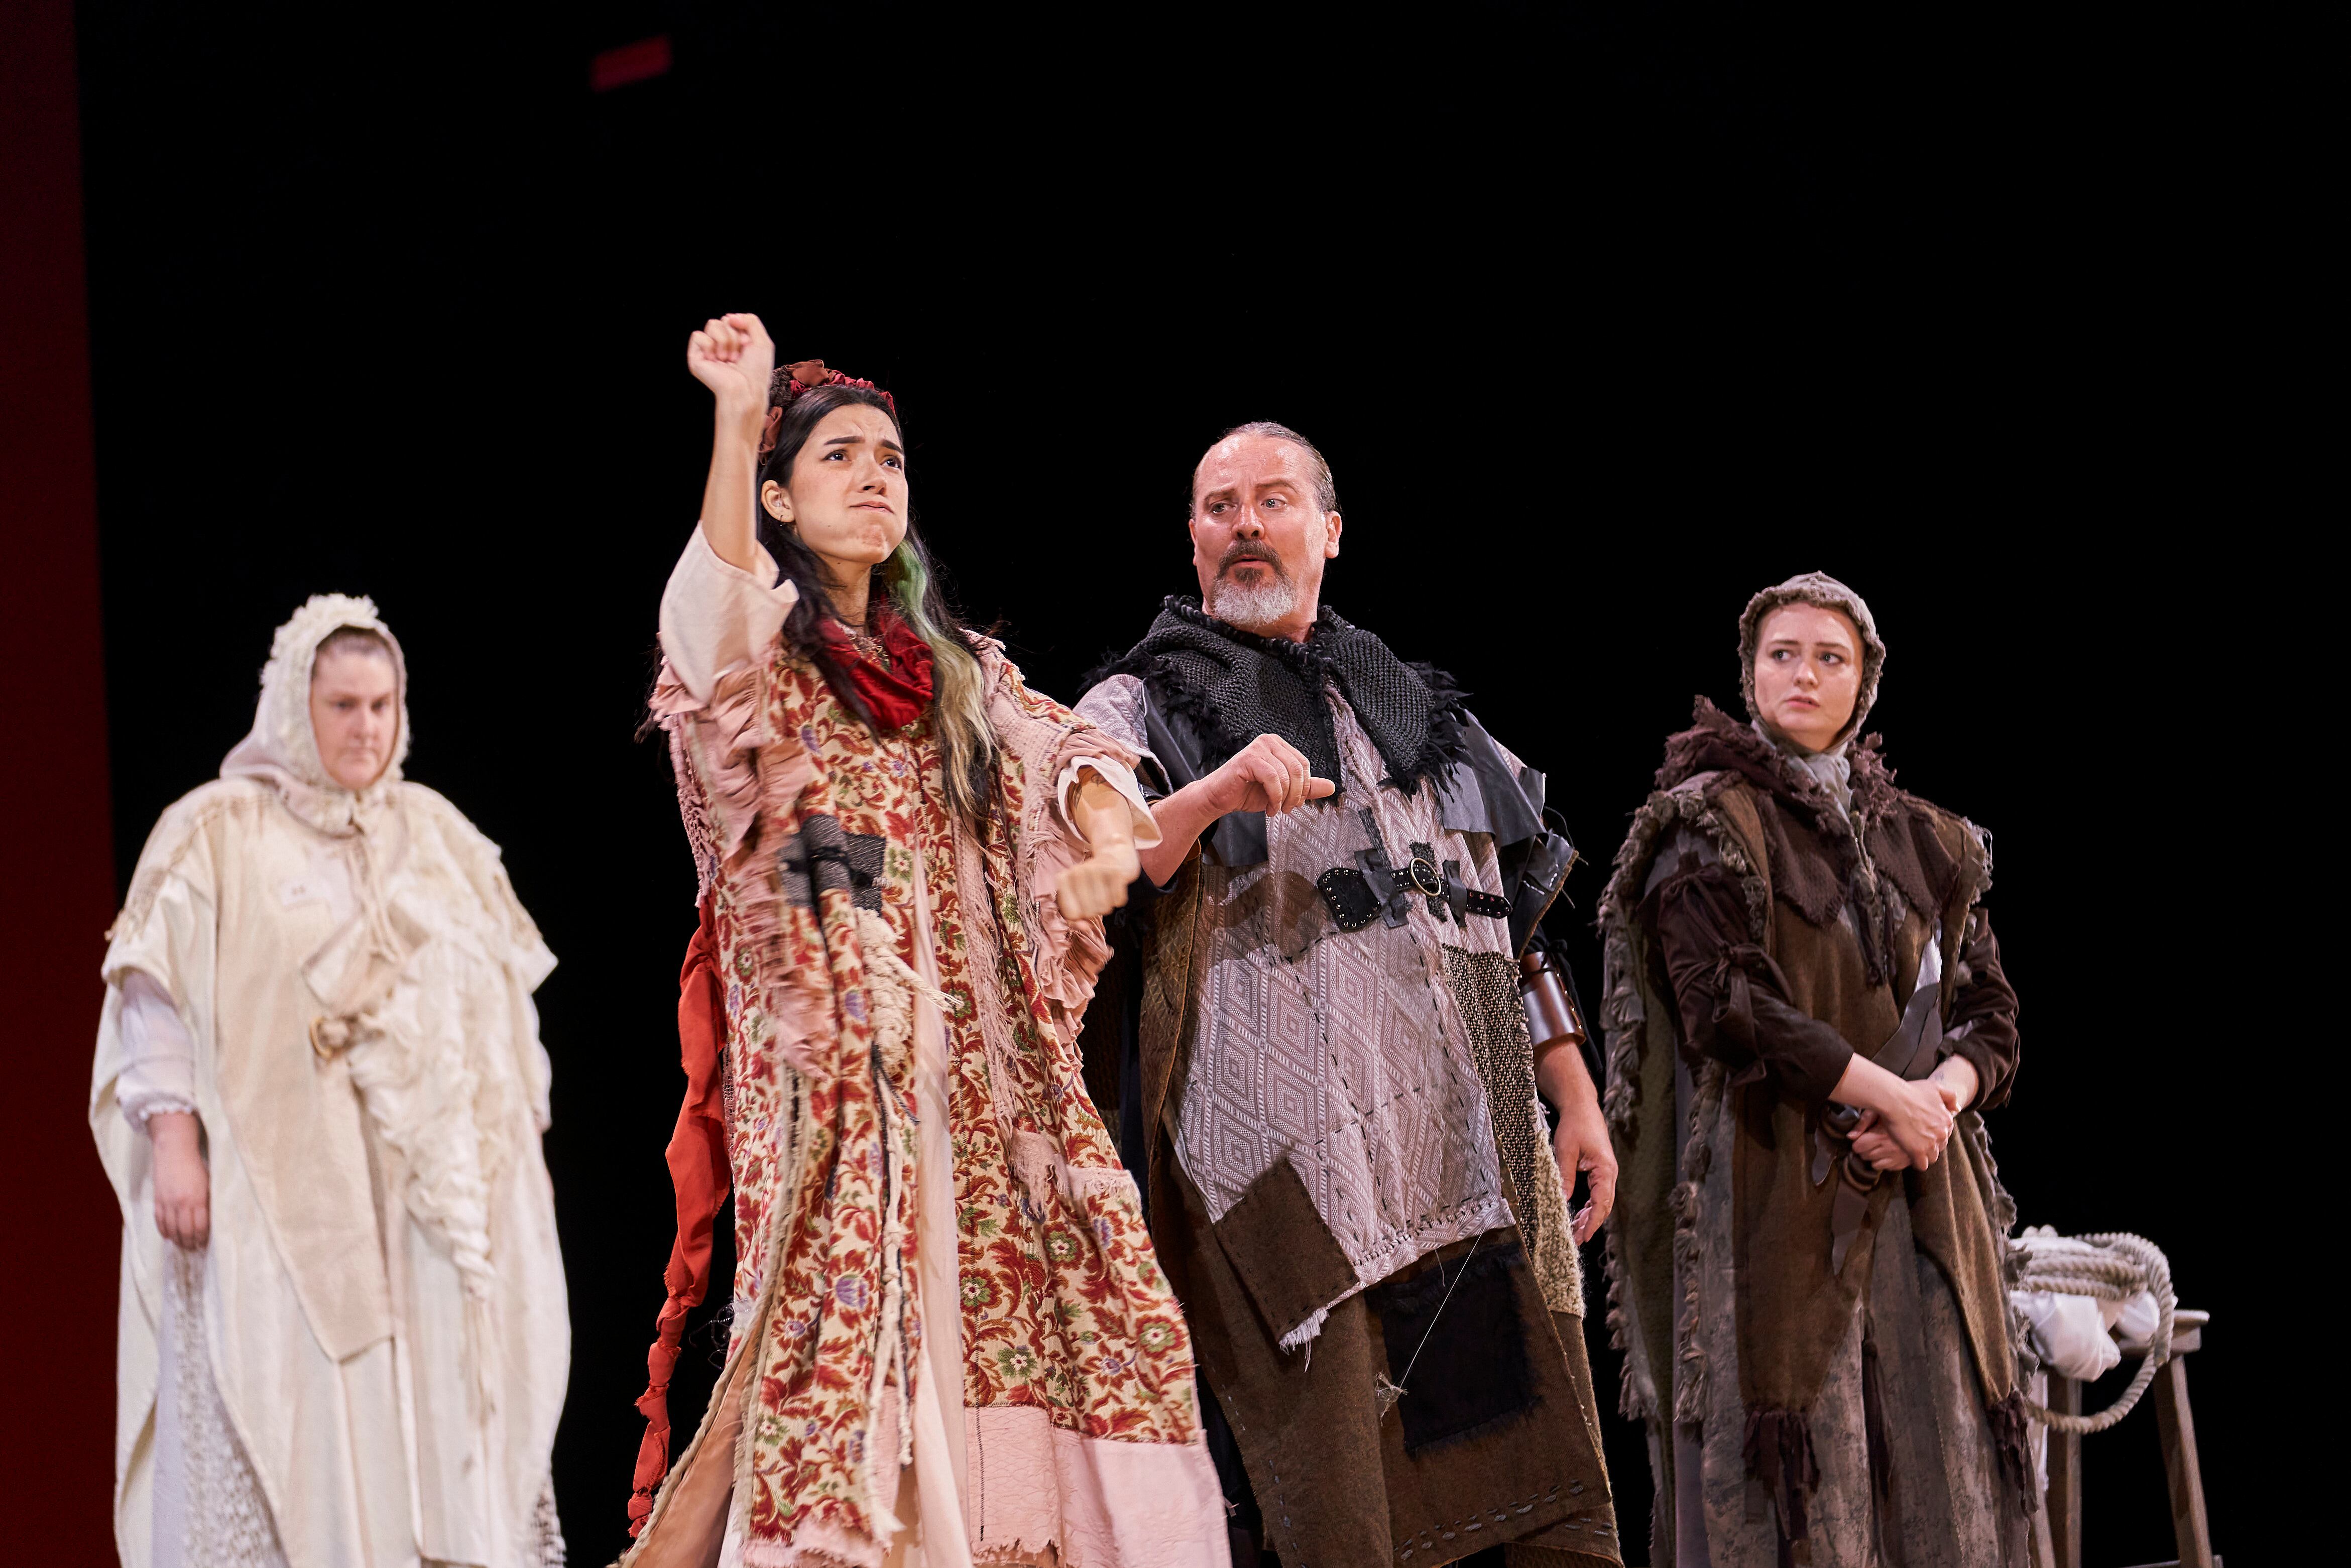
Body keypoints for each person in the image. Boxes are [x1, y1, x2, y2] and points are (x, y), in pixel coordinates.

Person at [624, 315, 1228, 1568]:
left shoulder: (955, 672)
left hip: (983, 1082)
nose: (875, 476)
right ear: (780, 495)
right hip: (851, 1091)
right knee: (859, 1355)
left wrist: (1112, 809)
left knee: (1054, 1324)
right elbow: (710, 615)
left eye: (890, 458)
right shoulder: (764, 676)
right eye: (839, 455)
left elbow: (1060, 752)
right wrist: (738, 417)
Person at [1074, 422, 1621, 1567]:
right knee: (1337, 1509)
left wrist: (1571, 1084)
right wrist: (1217, 789)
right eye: (1219, 506)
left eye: (1273, 501)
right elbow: (1101, 858)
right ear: (1192, 537)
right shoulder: (1142, 700)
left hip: (1474, 1146)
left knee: (1543, 1500)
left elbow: (1509, 907)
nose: (1245, 526)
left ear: (1328, 531)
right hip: (1289, 1164)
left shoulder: (1422, 707)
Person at [90, 594, 570, 1568]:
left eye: (381, 704)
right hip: (283, 1196)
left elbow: (506, 1004)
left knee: (435, 1419)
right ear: (292, 707)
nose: (365, 727)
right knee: (289, 1409)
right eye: (343, 704)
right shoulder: (216, 827)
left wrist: (515, 1149)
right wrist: (176, 1142)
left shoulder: (433, 830)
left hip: (423, 1215)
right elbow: (154, 991)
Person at [1596, 572, 2029, 1566]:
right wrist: (1891, 1097)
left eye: (1828, 656)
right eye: (1781, 653)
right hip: (1770, 1181)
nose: (1803, 672)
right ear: (1749, 673)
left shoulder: (1927, 837)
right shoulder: (1703, 823)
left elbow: (1989, 1014)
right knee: (1793, 1474)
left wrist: (1936, 1104)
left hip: (1929, 1191)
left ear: (1863, 680)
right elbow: (1726, 1007)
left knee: (1942, 1462)